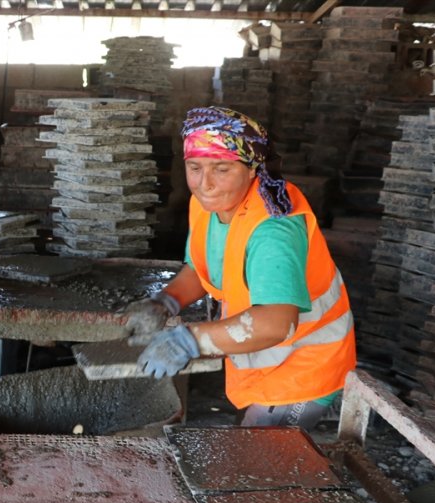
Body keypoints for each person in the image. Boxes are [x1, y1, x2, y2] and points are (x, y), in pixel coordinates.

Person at [124, 106, 355, 430]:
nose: (205, 184)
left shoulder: (274, 229)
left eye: (221, 169)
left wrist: (188, 340)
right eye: (194, 167)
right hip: (264, 358)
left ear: (251, 170)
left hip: (305, 365)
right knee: (250, 449)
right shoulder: (207, 205)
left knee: (259, 467)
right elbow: (201, 268)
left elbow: (276, 324)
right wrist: (165, 302)